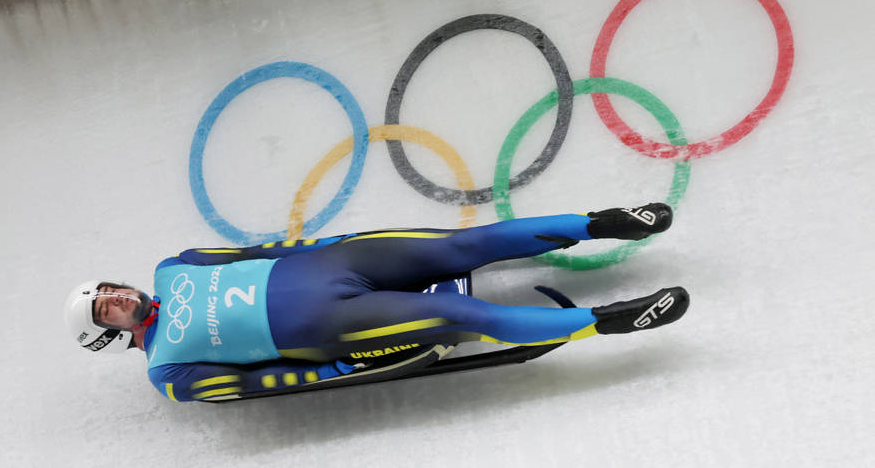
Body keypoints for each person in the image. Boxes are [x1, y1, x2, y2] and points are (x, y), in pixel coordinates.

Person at [64, 203, 689, 402]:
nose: (117, 298)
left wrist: (338, 244)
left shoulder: (176, 266)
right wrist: (339, 371)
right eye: (105, 309)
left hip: (340, 262)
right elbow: (266, 383)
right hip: (334, 325)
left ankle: (601, 220)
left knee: (462, 244)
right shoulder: (169, 374)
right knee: (460, 317)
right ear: (108, 335)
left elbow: (263, 250)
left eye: (108, 289)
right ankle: (608, 322)